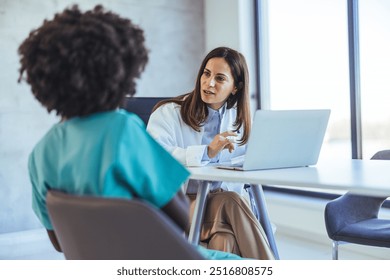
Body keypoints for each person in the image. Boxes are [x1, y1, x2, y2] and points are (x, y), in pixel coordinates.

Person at [18, 5, 244, 260]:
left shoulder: (40, 154)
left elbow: (59, 242)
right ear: (119, 70)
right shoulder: (122, 130)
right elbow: (182, 217)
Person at [146, 47, 274, 259]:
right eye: (206, 74)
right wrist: (207, 151)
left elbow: (247, 162)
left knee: (224, 239)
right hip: (181, 204)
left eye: (220, 78)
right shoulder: (168, 112)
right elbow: (155, 157)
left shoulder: (238, 122)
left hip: (217, 208)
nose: (209, 83)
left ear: (235, 88)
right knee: (231, 201)